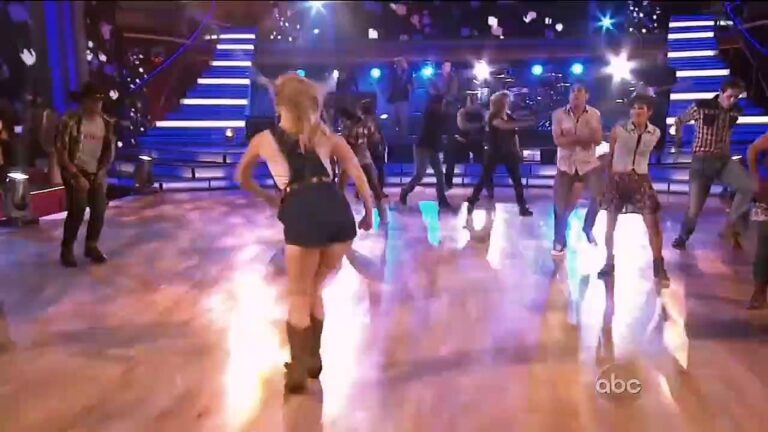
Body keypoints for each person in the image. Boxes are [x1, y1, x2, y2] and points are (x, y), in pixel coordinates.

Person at [234, 73, 374, 394]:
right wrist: (368, 212)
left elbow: (241, 176)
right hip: (339, 216)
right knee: (314, 289)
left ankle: (299, 368)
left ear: (278, 104)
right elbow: (357, 173)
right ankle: (313, 359)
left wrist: (267, 196)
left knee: (299, 294)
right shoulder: (326, 135)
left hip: (303, 211)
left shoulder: (264, 140)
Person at [671, 78, 753, 250]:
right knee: (695, 209)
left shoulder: (735, 112)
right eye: (730, 96)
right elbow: (680, 120)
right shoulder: (701, 106)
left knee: (747, 186)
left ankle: (730, 225)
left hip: (724, 160)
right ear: (721, 93)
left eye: (737, 97)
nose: (733, 100)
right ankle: (683, 236)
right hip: (702, 162)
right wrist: (678, 140)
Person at [597, 94, 669, 282]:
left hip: (641, 180)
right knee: (610, 224)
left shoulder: (654, 133)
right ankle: (608, 262)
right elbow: (611, 155)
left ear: (649, 112)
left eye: (641, 108)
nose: (636, 111)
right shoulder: (619, 129)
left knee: (653, 223)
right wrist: (608, 180)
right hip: (618, 179)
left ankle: (658, 265)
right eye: (634, 108)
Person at [55, 82, 115, 268]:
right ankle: (67, 248)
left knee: (99, 208)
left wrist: (102, 172)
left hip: (95, 170)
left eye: (100, 101)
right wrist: (75, 175)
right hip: (75, 169)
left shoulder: (107, 123)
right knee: (78, 209)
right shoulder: (70, 121)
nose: (98, 104)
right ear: (85, 101)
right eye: (94, 100)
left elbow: (109, 152)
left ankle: (91, 245)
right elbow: (61, 151)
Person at [551, 84, 605, 256]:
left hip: (588, 164)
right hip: (565, 165)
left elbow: (597, 140)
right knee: (560, 207)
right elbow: (558, 141)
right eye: (573, 91)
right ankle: (559, 241)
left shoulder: (594, 114)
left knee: (599, 197)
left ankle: (587, 227)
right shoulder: (558, 114)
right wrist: (583, 139)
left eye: (579, 91)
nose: (575, 94)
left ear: (586, 95)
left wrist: (571, 138)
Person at [465, 91, 534, 216]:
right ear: (501, 103)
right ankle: (472, 200)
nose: (509, 102)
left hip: (509, 152)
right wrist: (527, 122)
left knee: (517, 181)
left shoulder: (508, 116)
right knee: (484, 178)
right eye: (506, 100)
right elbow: (505, 126)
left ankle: (522, 207)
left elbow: (514, 134)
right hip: (494, 152)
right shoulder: (493, 117)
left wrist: (517, 150)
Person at [399, 94, 452, 210]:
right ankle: (405, 191)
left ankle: (442, 199)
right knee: (420, 174)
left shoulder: (437, 115)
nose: (443, 106)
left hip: (432, 148)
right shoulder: (431, 115)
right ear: (436, 104)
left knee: (439, 174)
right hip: (423, 147)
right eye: (442, 104)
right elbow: (434, 132)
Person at [340, 100, 389, 223]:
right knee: (371, 184)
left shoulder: (361, 124)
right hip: (354, 154)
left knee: (372, 184)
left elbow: (374, 138)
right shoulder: (359, 124)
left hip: (357, 154)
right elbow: (374, 138)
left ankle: (382, 213)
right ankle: (383, 214)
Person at [445, 92, 492, 195]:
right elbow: (463, 126)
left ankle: (489, 186)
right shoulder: (462, 112)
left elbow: (487, 124)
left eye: (475, 99)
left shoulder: (482, 112)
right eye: (471, 99)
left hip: (476, 141)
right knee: (451, 158)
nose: (474, 101)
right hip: (461, 140)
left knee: (486, 162)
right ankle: (447, 183)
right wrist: (479, 125)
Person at [746, 132, 768, 309]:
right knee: (763, 244)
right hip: (765, 194)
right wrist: (755, 179)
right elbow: (752, 150)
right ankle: (759, 292)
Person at [388, 57, 412, 143]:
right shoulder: (393, 73)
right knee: (393, 121)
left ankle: (404, 140)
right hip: (394, 100)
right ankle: (394, 139)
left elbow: (410, 85)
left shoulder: (407, 73)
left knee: (403, 121)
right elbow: (389, 85)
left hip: (403, 100)